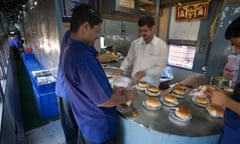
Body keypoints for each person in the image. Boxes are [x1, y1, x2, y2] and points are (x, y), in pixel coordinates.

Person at [62, 4, 137, 144]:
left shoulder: (70, 51)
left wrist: (111, 90)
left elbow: (88, 90)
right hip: (99, 129)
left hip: (86, 124)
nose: (97, 36)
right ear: (85, 27)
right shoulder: (82, 58)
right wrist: (127, 96)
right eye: (96, 31)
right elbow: (103, 101)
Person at [207, 16, 240, 144]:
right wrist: (225, 94)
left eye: (236, 44)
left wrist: (225, 101)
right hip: (231, 127)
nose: (235, 50)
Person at [113, 15, 168, 87]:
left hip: (151, 86)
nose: (142, 34)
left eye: (145, 31)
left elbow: (160, 67)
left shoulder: (162, 46)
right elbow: (129, 59)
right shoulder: (135, 44)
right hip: (135, 83)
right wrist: (121, 69)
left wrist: (145, 72)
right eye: (140, 31)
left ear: (153, 28)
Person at [55, 29, 79, 144]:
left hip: (63, 88)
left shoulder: (68, 34)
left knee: (70, 129)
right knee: (72, 129)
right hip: (68, 91)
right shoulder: (73, 35)